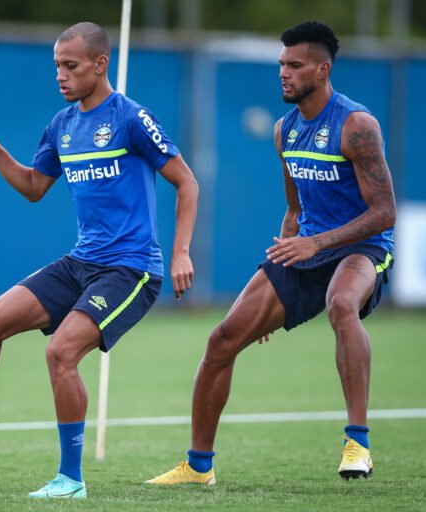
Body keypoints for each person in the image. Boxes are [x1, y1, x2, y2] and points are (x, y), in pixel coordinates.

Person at [0, 21, 199, 499]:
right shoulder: (62, 124)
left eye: (70, 66)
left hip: (131, 270)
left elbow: (187, 182)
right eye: (57, 65)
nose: (61, 75)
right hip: (81, 262)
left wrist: (180, 251)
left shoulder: (132, 118)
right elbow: (34, 187)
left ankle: (70, 480)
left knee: (60, 352)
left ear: (100, 64)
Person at [146, 20, 395, 486]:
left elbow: (384, 213)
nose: (283, 73)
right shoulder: (285, 130)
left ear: (322, 70)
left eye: (295, 65)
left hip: (361, 248)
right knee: (223, 339)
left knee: (342, 304)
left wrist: (318, 242)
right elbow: (295, 207)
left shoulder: (357, 125)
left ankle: (357, 445)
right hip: (306, 249)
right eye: (281, 64)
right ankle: (199, 467)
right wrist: (277, 277)